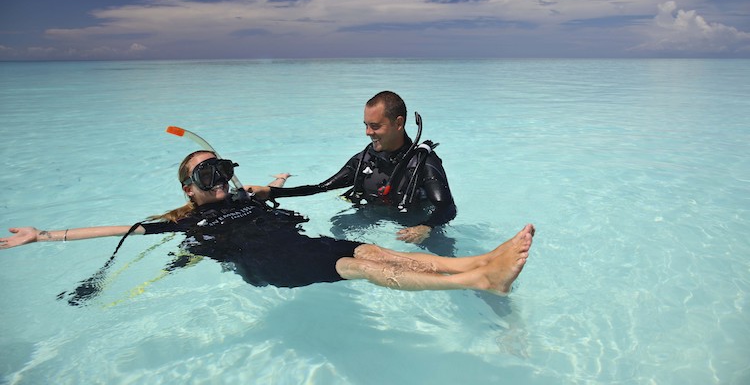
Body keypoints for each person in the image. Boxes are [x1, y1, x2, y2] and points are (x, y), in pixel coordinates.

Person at [1, 150, 534, 298]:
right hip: (270, 263)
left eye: (223, 170)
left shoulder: (242, 194)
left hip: (296, 241)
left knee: (373, 255)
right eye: (207, 175)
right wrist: (44, 235)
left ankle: (481, 264)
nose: (221, 180)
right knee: (359, 265)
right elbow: (121, 230)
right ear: (189, 189)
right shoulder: (187, 218)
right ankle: (475, 280)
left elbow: (259, 189)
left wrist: (273, 181)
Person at [252, 91, 456, 245]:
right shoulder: (365, 160)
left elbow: (446, 208)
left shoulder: (423, 163)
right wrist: (271, 192)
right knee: (339, 225)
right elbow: (321, 187)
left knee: (443, 256)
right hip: (374, 214)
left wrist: (426, 227)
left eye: (375, 126)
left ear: (398, 123)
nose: (368, 132)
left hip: (415, 222)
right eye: (365, 125)